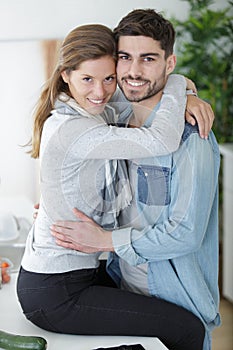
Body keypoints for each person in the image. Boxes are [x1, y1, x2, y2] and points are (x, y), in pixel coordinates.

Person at [15, 21, 213, 350]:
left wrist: (185, 93)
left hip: (72, 275)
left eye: (108, 78)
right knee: (188, 329)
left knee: (154, 324)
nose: (101, 90)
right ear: (66, 75)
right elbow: (161, 138)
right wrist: (177, 83)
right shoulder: (76, 128)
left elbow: (139, 89)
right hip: (57, 291)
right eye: (88, 79)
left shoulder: (94, 109)